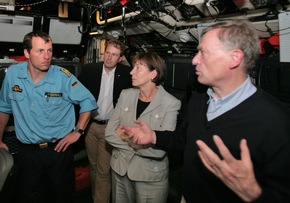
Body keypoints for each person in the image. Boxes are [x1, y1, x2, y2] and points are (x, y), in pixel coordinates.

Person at [121, 19, 290, 203]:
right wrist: (153, 137)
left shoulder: (276, 120)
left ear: (234, 58)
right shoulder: (200, 98)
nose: (194, 60)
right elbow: (184, 139)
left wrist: (253, 193)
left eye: (203, 53)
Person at [0, 31, 97, 203]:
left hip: (57, 151)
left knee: (61, 197)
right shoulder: (13, 75)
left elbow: (88, 101)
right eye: (40, 51)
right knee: (28, 197)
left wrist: (78, 131)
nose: (47, 56)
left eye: (50, 50)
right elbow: (4, 108)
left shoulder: (62, 77)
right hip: (27, 152)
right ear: (26, 53)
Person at [105, 52, 181, 203]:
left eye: (138, 68)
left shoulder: (171, 103)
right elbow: (108, 133)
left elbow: (160, 151)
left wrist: (124, 137)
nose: (131, 72)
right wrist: (140, 143)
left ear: (153, 74)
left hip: (150, 178)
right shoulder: (126, 94)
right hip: (120, 170)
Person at [77, 39, 132, 203]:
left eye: (114, 55)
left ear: (120, 58)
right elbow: (77, 96)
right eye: (107, 53)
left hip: (110, 128)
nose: (109, 57)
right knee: (93, 166)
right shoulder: (90, 70)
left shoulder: (127, 74)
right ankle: (97, 197)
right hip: (90, 127)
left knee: (103, 170)